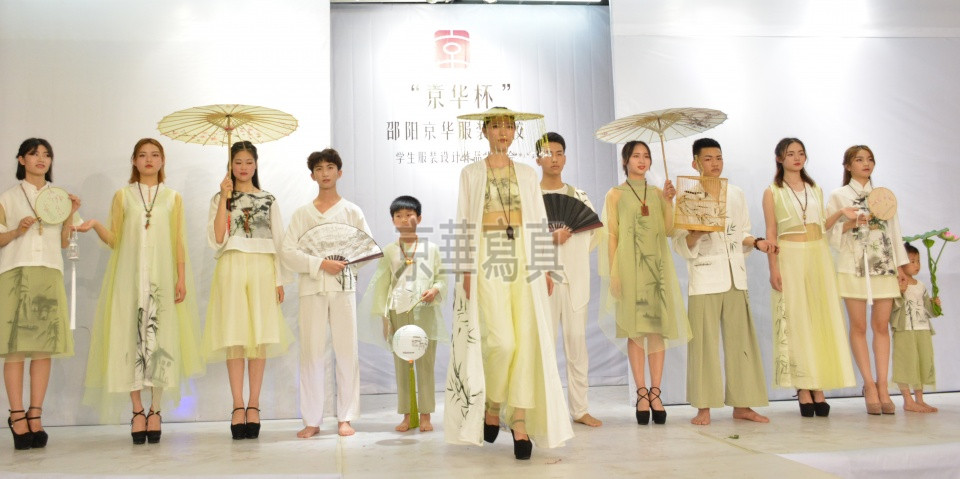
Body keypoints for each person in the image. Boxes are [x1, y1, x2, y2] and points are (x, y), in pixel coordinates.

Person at [444, 107, 573, 460]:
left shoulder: (527, 174)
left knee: (526, 341)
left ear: (516, 132)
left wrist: (545, 266)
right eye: (496, 126)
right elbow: (463, 220)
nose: (503, 132)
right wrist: (464, 270)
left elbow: (538, 220)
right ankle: (492, 403)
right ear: (484, 132)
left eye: (508, 126)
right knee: (501, 342)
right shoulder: (471, 173)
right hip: (487, 257)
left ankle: (519, 422)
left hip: (524, 258)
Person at [78, 138, 204, 444]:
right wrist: (94, 225)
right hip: (129, 278)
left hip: (162, 279)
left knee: (160, 339)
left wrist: (181, 278)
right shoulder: (123, 196)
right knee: (129, 338)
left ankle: (156, 409)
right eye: (143, 155)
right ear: (134, 161)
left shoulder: (173, 198)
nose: (149, 159)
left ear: (163, 160)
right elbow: (115, 239)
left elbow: (178, 241)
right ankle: (137, 410)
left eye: (155, 155)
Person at [672, 138, 771, 426]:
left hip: (735, 276)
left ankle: (743, 404)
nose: (715, 163)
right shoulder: (687, 197)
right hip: (705, 278)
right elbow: (680, 243)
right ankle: (704, 406)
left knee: (742, 342)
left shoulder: (736, 194)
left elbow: (742, 233)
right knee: (704, 344)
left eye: (718, 158)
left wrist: (758, 242)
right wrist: (697, 233)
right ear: (695, 163)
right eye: (708, 158)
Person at [203, 141, 293, 439]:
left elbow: (279, 241)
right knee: (235, 338)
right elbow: (217, 238)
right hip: (231, 266)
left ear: (256, 165)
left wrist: (279, 279)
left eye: (248, 162)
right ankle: (237, 405)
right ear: (230, 165)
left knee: (259, 338)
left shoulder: (268, 199)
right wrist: (225, 197)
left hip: (262, 268)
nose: (243, 167)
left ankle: (254, 404)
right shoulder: (220, 197)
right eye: (238, 162)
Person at [280, 148, 371, 438]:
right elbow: (287, 252)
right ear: (312, 176)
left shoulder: (352, 211)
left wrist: (343, 264)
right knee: (311, 353)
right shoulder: (302, 214)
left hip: (343, 287)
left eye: (330, 167)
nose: (325, 173)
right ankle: (312, 419)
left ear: (339, 172)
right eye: (319, 169)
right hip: (311, 288)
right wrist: (320, 263)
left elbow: (367, 249)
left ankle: (346, 416)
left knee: (347, 351)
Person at [598, 140, 690, 426]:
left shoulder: (659, 193)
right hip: (628, 269)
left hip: (656, 270)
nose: (642, 160)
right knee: (635, 332)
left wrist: (669, 201)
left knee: (657, 331)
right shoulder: (615, 194)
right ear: (625, 160)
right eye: (636, 156)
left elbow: (670, 230)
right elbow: (611, 235)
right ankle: (641, 393)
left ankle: (656, 393)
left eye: (646, 156)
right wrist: (614, 273)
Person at [762, 138, 855, 417]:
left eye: (801, 153)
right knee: (797, 318)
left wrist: (840, 214)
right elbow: (771, 232)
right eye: (790, 154)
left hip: (818, 254)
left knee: (819, 317)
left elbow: (822, 226)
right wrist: (773, 268)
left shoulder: (815, 188)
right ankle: (803, 387)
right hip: (789, 254)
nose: (797, 158)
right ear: (779, 158)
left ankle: (818, 386)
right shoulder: (772, 191)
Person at [1, 138, 79, 450]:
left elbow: (64, 242)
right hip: (16, 272)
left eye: (47, 154)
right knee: (15, 348)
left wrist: (71, 213)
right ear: (21, 159)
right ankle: (16, 415)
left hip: (49, 271)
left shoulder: (58, 198)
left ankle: (36, 414)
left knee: (43, 348)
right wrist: (17, 231)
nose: (41, 159)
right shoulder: (8, 197)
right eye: (34, 154)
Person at [826, 145, 908, 415]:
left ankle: (883, 386)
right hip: (852, 266)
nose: (866, 163)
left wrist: (901, 267)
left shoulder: (883, 195)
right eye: (859, 159)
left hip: (883, 265)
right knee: (859, 326)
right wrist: (852, 222)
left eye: (870, 159)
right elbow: (828, 233)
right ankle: (869, 385)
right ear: (847, 166)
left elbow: (895, 232)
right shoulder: (839, 195)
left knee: (881, 326)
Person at [358, 196, 447, 433]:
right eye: (399, 216)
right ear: (393, 220)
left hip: (424, 312)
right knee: (402, 364)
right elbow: (382, 285)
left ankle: (426, 415)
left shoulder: (432, 249)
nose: (404, 220)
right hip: (397, 311)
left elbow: (442, 278)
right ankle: (408, 416)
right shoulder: (389, 251)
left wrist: (435, 290)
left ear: (419, 218)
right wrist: (384, 318)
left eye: (409, 215)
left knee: (425, 364)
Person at [534, 132, 601, 427]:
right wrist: (551, 238)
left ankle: (580, 409)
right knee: (544, 346)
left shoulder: (579, 196)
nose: (555, 159)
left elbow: (593, 232)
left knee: (577, 346)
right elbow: (520, 239)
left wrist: (572, 252)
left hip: (576, 281)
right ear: (538, 159)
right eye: (548, 154)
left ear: (565, 157)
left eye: (559, 153)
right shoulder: (530, 198)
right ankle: (545, 409)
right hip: (543, 280)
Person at [891, 242, 941, 413]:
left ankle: (920, 400)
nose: (917, 265)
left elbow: (930, 311)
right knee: (906, 363)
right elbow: (892, 308)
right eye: (912, 261)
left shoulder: (921, 286)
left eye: (918, 261)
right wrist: (900, 291)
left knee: (921, 363)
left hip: (923, 329)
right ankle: (907, 400)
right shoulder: (897, 284)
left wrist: (935, 306)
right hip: (904, 329)